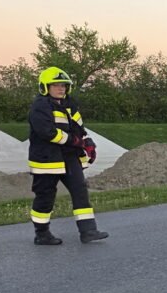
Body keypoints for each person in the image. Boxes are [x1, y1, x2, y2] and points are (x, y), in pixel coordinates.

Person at [27, 67, 107, 245]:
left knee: (80, 190)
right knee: (45, 197)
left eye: (63, 85)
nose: (61, 88)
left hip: (69, 157)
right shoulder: (40, 107)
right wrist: (74, 141)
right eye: (56, 85)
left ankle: (89, 231)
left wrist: (88, 142)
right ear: (45, 87)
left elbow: (79, 128)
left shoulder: (70, 105)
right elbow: (47, 132)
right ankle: (42, 234)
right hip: (47, 160)